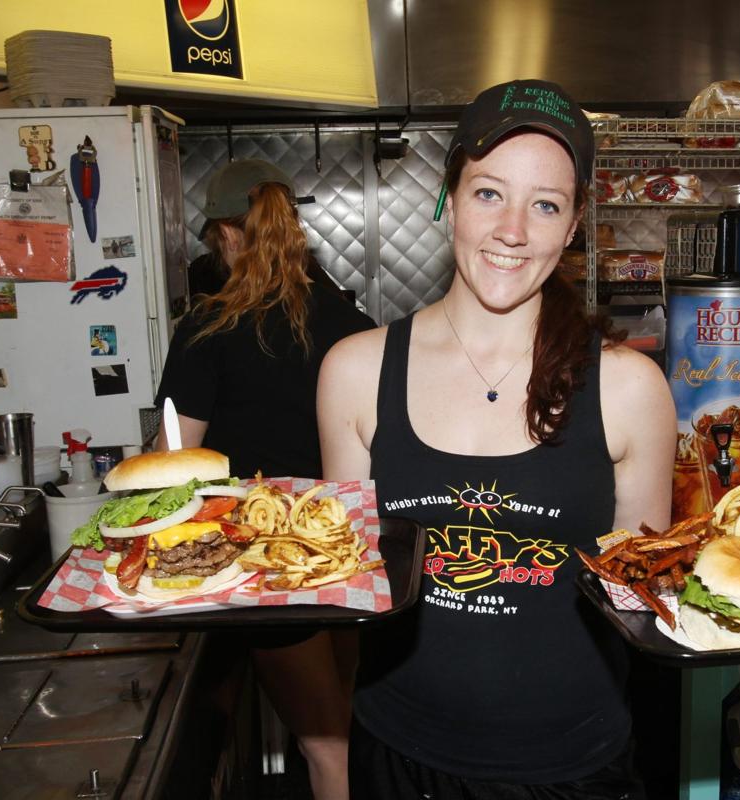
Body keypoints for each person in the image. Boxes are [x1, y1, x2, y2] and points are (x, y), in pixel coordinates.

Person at [318, 79, 676, 797]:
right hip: (398, 756)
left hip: (572, 770)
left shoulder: (629, 389)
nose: (512, 230)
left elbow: (641, 596)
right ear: (448, 198)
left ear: (572, 224)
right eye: (488, 193)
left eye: (544, 204)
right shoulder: (354, 372)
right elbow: (343, 582)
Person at [155, 158, 374, 800]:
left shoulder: (208, 328)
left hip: (270, 571)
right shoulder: (354, 326)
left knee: (326, 749)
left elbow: (172, 461)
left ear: (225, 236)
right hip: (347, 557)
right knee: (345, 721)